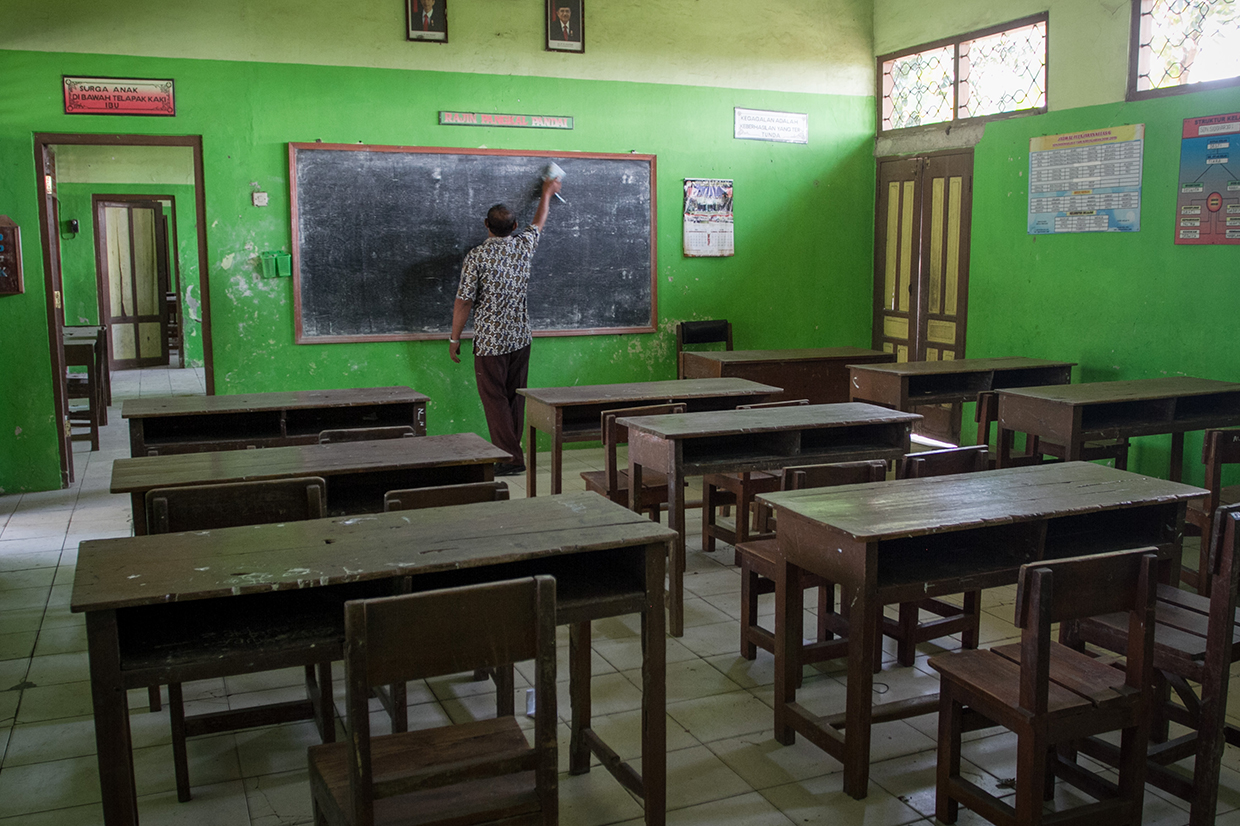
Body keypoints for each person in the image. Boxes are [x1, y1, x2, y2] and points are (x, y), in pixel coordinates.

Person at [450, 177, 561, 476]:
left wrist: (454, 338)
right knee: (513, 398)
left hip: (490, 342)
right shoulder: (524, 245)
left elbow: (463, 302)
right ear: (514, 228)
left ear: (485, 224)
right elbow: (539, 222)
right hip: (521, 338)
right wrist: (547, 193)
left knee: (495, 400)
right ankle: (512, 454)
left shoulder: (476, 257)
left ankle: (511, 458)